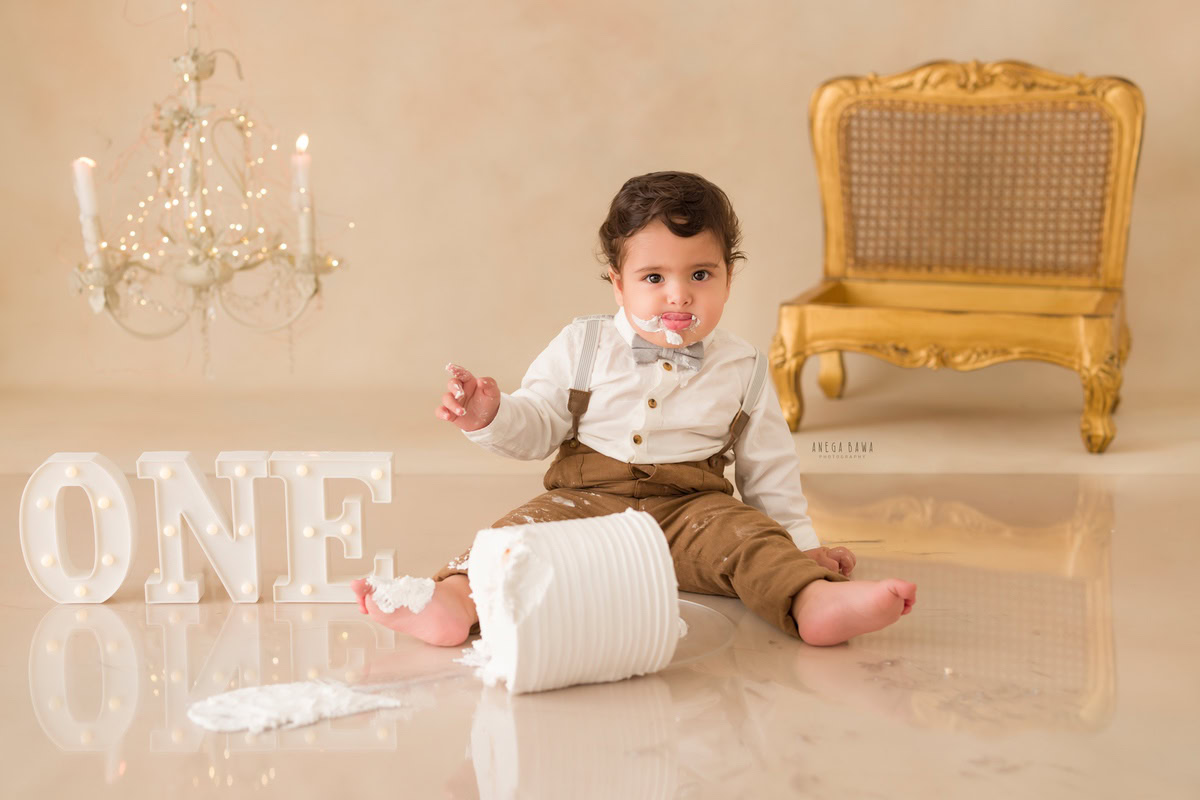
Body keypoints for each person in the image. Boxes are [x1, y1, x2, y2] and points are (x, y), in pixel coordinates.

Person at [352, 171, 915, 648]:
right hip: (584, 502)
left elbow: (769, 469)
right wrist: (491, 415)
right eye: (654, 278)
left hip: (693, 512)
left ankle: (814, 603)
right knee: (516, 537)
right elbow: (540, 423)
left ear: (728, 277)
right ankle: (452, 602)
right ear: (619, 286)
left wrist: (801, 544)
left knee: (751, 541)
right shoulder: (583, 346)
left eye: (700, 274)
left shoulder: (742, 366)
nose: (679, 296)